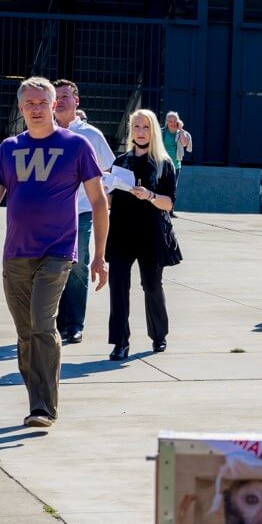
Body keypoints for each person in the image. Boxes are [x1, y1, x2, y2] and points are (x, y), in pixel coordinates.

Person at [0, 76, 109, 428]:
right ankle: (37, 396)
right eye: (30, 103)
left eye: (43, 102)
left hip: (57, 252)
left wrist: (99, 255)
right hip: (16, 255)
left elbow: (99, 202)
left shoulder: (76, 146)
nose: (36, 109)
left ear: (55, 105)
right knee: (26, 333)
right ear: (21, 107)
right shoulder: (8, 148)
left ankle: (43, 406)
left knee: (42, 324)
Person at [106, 109, 178, 361]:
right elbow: (110, 202)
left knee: (151, 285)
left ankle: (159, 335)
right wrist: (107, 189)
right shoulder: (120, 161)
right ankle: (120, 342)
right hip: (121, 234)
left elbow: (169, 204)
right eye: (136, 127)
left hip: (150, 234)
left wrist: (149, 195)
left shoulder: (163, 163)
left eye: (145, 127)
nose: (140, 131)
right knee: (118, 288)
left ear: (153, 131)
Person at [52, 79, 115, 345]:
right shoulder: (43, 132)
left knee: (77, 267)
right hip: (50, 213)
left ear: (76, 101)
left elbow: (110, 170)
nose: (61, 100)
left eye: (66, 96)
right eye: (57, 96)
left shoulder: (91, 135)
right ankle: (55, 324)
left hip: (81, 211)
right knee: (52, 268)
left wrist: (105, 202)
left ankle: (74, 324)